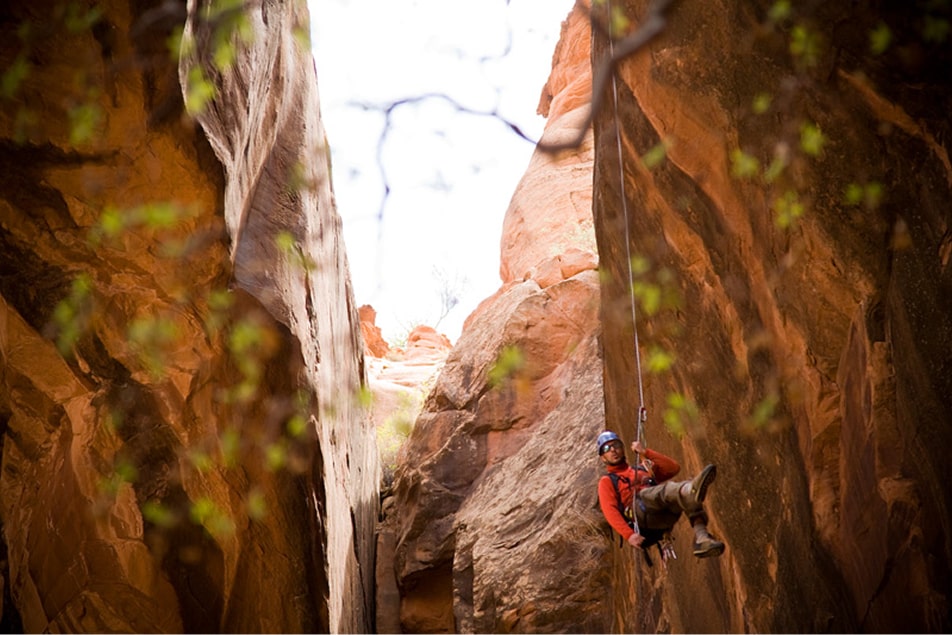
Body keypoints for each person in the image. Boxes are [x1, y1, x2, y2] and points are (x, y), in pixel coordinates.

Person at [596, 430, 725, 558]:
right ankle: (690, 489)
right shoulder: (607, 481)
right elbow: (609, 511)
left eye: (616, 445)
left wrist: (645, 452)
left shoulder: (641, 468)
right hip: (641, 514)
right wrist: (629, 535)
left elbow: (672, 468)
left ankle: (702, 539)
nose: (613, 449)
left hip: (663, 514)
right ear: (603, 457)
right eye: (607, 448)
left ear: (623, 449)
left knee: (686, 498)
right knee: (670, 490)